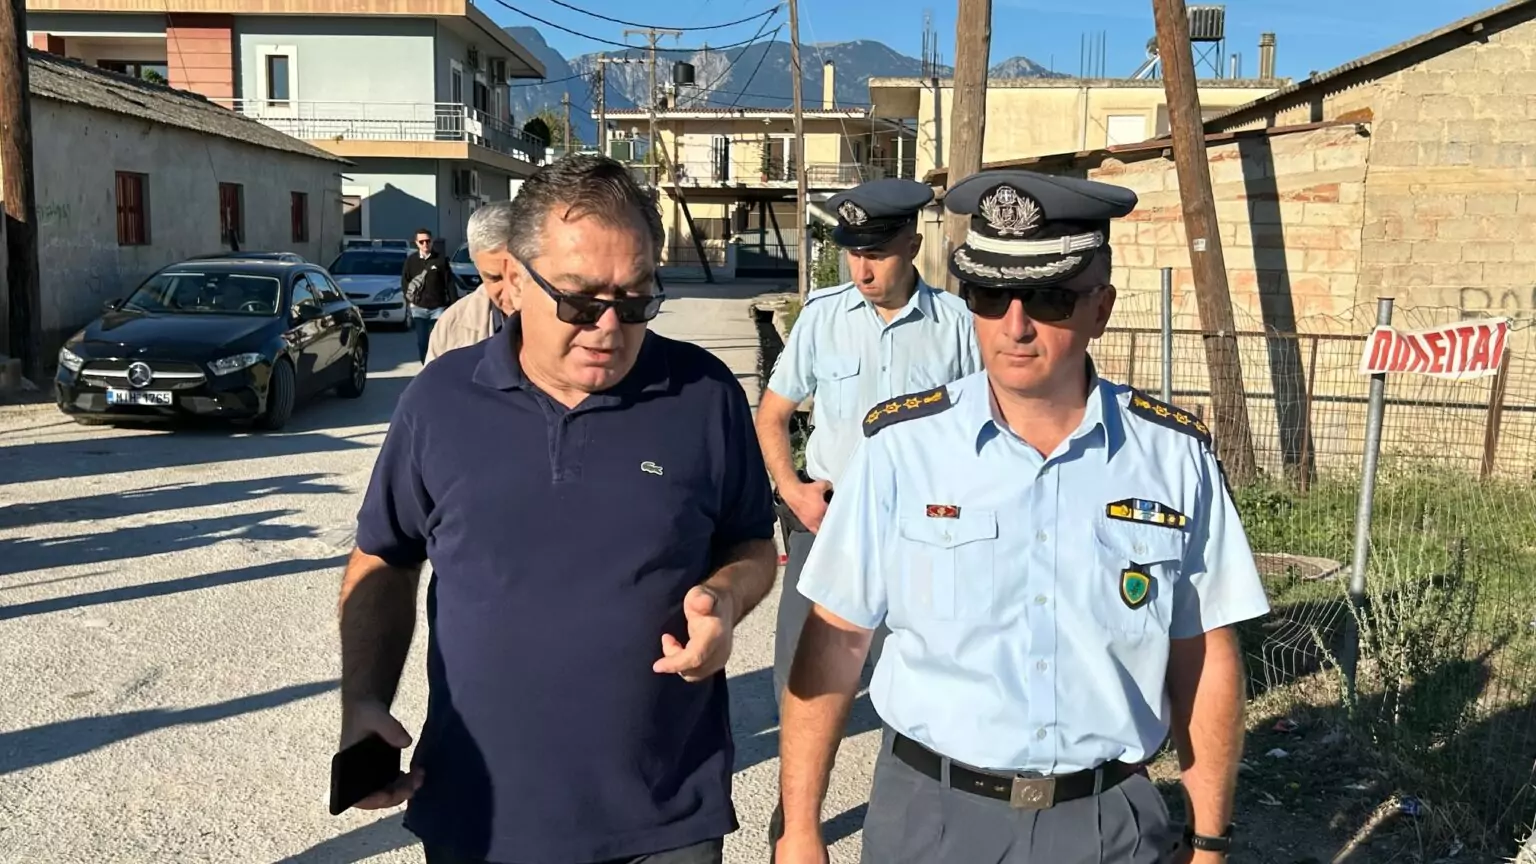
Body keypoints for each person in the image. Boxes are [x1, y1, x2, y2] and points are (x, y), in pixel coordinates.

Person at [774, 171, 1272, 864]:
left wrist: (1210, 839)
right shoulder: (901, 449)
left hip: (1106, 825)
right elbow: (836, 639)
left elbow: (1205, 653)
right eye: (988, 294)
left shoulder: (1172, 458)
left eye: (1048, 298)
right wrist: (800, 828)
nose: (1015, 324)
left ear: (1100, 308)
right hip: (931, 821)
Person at [338, 154, 779, 864]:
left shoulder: (704, 394)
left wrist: (724, 600)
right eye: (578, 301)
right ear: (514, 282)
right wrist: (363, 700)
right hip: (481, 816)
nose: (608, 327)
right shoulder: (440, 401)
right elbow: (384, 557)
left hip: (665, 816)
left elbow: (751, 543)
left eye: (635, 302)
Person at [756, 177, 980, 714]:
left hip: (916, 534)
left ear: (913, 245)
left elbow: (980, 433)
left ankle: (900, 770)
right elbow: (772, 415)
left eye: (876, 254)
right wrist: (793, 492)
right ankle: (798, 776)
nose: (862, 270)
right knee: (801, 683)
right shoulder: (822, 316)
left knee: (911, 687)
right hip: (826, 524)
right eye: (854, 254)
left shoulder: (957, 326)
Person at [424, 202, 518, 364]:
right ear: (477, 266)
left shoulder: (565, 317)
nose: (511, 294)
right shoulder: (451, 327)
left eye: (519, 276)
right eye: (495, 278)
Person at [401, 227, 454, 363]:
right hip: (419, 309)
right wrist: (409, 301)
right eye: (421, 242)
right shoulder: (411, 261)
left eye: (428, 241)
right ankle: (426, 366)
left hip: (438, 308)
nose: (425, 244)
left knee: (439, 340)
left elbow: (449, 283)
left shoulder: (440, 260)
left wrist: (454, 304)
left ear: (432, 241)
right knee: (422, 342)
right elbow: (405, 282)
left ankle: (438, 366)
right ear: (416, 243)